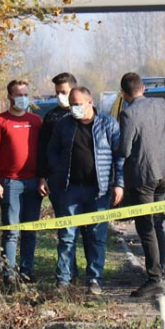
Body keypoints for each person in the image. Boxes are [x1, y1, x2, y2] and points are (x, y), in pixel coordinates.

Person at [117, 72, 165, 299]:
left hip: (144, 176)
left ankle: (155, 279)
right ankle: (159, 271)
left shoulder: (128, 114)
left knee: (147, 227)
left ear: (124, 93)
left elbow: (124, 150)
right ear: (143, 88)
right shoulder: (162, 105)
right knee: (158, 224)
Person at [47, 87, 124, 294]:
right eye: (72, 105)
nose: (74, 109)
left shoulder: (108, 124)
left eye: (78, 104)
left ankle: (94, 280)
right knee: (67, 236)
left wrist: (119, 183)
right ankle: (63, 281)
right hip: (70, 189)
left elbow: (119, 156)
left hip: (99, 191)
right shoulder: (64, 125)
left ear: (90, 102)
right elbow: (52, 151)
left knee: (96, 237)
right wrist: (56, 173)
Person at [0, 79, 43, 283]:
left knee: (30, 230)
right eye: (19, 95)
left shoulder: (36, 120)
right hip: (9, 183)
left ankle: (27, 271)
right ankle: (9, 274)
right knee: (11, 230)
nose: (23, 98)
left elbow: (43, 152)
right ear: (10, 97)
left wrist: (43, 179)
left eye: (25, 94)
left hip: (33, 182)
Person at [37, 72, 81, 278]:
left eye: (63, 92)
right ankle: (67, 272)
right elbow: (43, 149)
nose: (60, 96)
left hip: (84, 181)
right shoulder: (51, 117)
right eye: (57, 93)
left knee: (87, 232)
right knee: (66, 229)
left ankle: (91, 275)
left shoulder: (86, 114)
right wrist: (43, 176)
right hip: (59, 182)